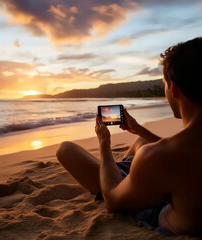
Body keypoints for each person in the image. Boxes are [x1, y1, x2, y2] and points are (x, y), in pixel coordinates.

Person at [56, 37, 202, 237]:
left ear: (174, 88)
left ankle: (114, 171)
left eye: (164, 84)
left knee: (65, 149)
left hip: (157, 212)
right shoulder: (178, 149)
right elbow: (180, 155)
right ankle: (121, 169)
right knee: (140, 142)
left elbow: (113, 201)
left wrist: (104, 143)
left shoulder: (158, 156)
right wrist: (138, 129)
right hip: (180, 198)